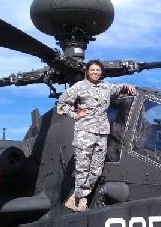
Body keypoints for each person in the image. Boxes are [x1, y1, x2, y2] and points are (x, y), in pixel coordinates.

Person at [56, 60, 136, 211]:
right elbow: (61, 105)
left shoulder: (106, 87)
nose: (95, 72)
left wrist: (128, 86)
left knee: (97, 169)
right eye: (92, 70)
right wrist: (75, 114)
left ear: (101, 72)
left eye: (98, 70)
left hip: (102, 133)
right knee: (82, 167)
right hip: (84, 133)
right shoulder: (79, 87)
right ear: (87, 71)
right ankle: (81, 199)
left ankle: (78, 196)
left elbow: (120, 88)